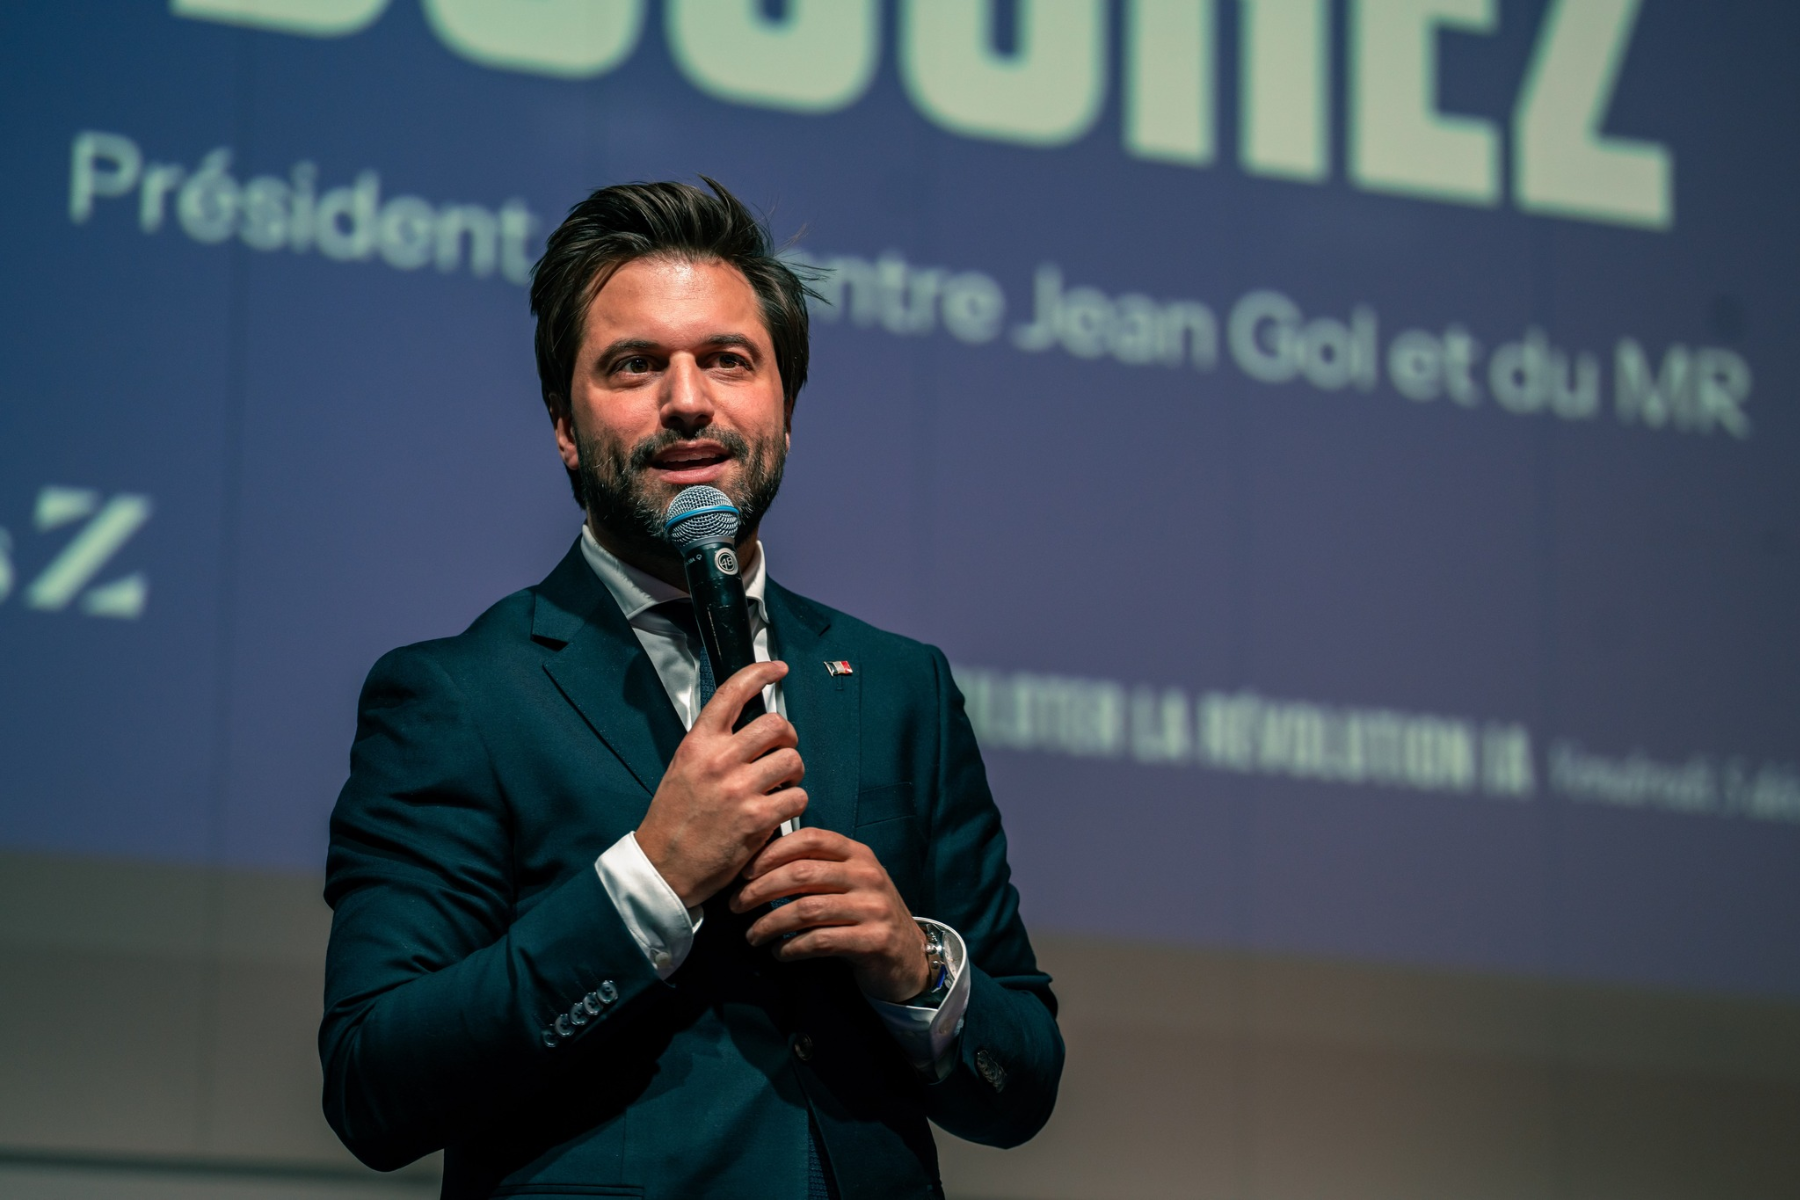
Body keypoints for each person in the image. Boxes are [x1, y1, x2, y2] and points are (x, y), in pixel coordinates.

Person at [319, 179, 1063, 1200]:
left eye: (728, 360)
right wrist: (650, 883)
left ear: (785, 411)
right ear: (565, 428)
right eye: (634, 365)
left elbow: (1021, 1083)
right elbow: (372, 1085)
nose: (686, 398)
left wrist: (914, 965)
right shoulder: (457, 695)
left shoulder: (900, 687)